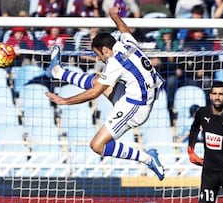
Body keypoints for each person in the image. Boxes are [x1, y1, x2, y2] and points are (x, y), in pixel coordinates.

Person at [44, 6, 166, 180]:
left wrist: (64, 101)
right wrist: (114, 16)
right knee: (97, 79)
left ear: (106, 50)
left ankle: (147, 158)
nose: (99, 59)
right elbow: (124, 29)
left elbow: (94, 94)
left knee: (97, 145)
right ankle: (57, 72)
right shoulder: (129, 44)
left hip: (135, 108)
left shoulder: (115, 63)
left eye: (98, 54)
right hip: (138, 96)